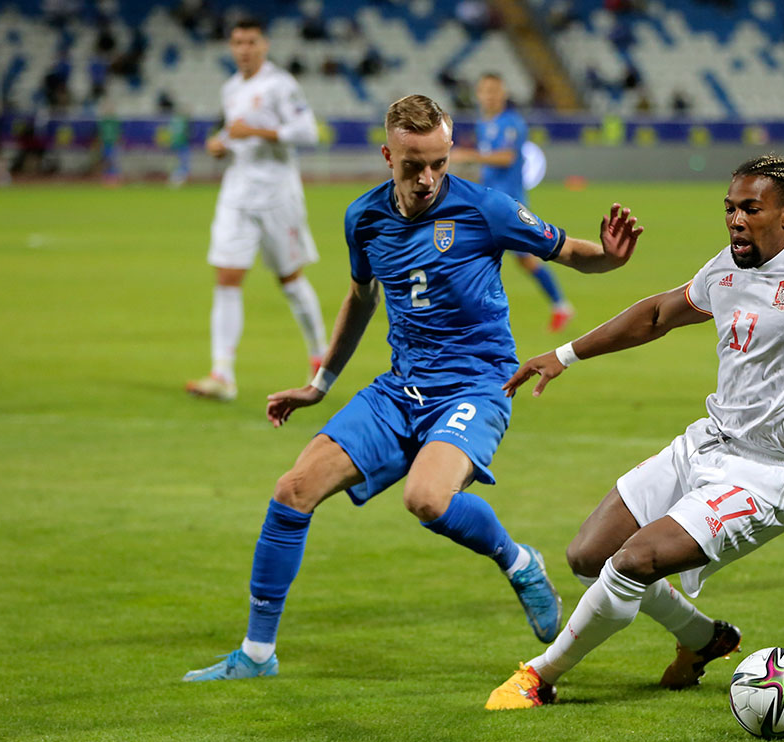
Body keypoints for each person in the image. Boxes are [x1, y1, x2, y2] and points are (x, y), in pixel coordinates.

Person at [182, 94, 644, 682]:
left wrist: (610, 256)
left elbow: (572, 252)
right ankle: (255, 655)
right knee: (293, 489)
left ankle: (519, 559)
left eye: (438, 164)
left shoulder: (486, 209)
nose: (427, 179)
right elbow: (360, 298)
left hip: (477, 385)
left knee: (426, 499)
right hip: (400, 390)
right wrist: (320, 382)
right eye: (412, 165)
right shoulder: (364, 218)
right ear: (387, 156)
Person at [486, 154, 784, 709]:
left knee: (634, 560)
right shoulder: (726, 268)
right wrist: (565, 354)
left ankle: (540, 677)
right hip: (707, 444)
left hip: (769, 476)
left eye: (750, 209)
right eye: (729, 208)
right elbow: (658, 313)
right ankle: (704, 639)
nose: (735, 219)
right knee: (589, 554)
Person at [186, 17, 327, 402]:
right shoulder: (231, 88)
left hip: (277, 196)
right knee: (227, 277)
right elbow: (239, 134)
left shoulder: (280, 85)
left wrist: (258, 134)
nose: (243, 49)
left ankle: (320, 361)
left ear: (264, 45)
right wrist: (222, 143)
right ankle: (222, 374)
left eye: (250, 42)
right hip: (237, 193)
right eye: (237, 42)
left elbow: (308, 132)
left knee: (291, 281)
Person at [452, 73, 575, 332]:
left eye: (495, 91)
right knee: (508, 256)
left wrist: (468, 155)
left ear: (503, 94)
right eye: (485, 91)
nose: (490, 96)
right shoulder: (484, 123)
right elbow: (490, 164)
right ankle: (560, 306)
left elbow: (506, 158)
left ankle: (559, 305)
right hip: (489, 201)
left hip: (509, 202)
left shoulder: (512, 123)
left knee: (480, 251)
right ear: (478, 95)